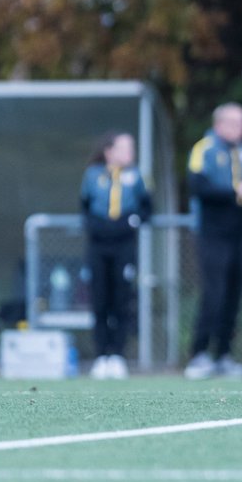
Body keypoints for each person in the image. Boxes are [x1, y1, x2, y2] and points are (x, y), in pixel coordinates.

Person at [184, 104, 242, 380]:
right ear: (220, 124)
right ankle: (199, 355)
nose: (241, 128)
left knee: (234, 293)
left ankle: (223, 354)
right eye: (235, 123)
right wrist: (236, 190)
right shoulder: (205, 149)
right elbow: (198, 186)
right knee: (214, 292)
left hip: (239, 232)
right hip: (212, 232)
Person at [80, 132, 152, 380]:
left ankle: (118, 355)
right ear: (109, 151)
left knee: (122, 300)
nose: (129, 153)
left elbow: (147, 208)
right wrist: (99, 227)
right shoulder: (93, 176)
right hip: (99, 246)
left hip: (124, 246)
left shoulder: (137, 176)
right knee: (100, 300)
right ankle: (102, 355)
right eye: (124, 148)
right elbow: (85, 208)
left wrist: (129, 223)